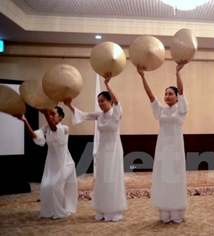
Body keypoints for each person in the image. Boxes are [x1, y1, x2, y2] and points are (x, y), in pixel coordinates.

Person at [64, 73, 127, 222]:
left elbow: (118, 101)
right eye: (99, 101)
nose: (100, 104)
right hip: (103, 149)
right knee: (102, 178)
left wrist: (107, 83)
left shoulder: (116, 113)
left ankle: (113, 210)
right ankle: (102, 209)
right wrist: (69, 105)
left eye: (103, 101)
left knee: (112, 178)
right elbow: (83, 115)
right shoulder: (99, 116)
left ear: (109, 101)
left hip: (114, 149)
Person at [137, 62, 188, 223]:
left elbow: (182, 90)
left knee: (175, 178)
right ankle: (165, 210)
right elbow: (151, 96)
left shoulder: (181, 108)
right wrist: (142, 76)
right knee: (164, 178)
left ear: (177, 96)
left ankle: (177, 212)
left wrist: (177, 73)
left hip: (176, 149)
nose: (167, 96)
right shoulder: (161, 110)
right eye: (165, 94)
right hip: (163, 149)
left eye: (170, 94)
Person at [15, 107, 77, 219]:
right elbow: (34, 135)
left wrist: (45, 114)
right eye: (49, 115)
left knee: (55, 186)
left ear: (61, 116)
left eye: (53, 114)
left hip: (66, 164)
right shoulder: (46, 128)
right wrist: (25, 120)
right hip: (52, 165)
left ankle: (60, 211)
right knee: (45, 186)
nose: (51, 116)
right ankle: (50, 211)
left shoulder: (65, 128)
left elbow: (55, 130)